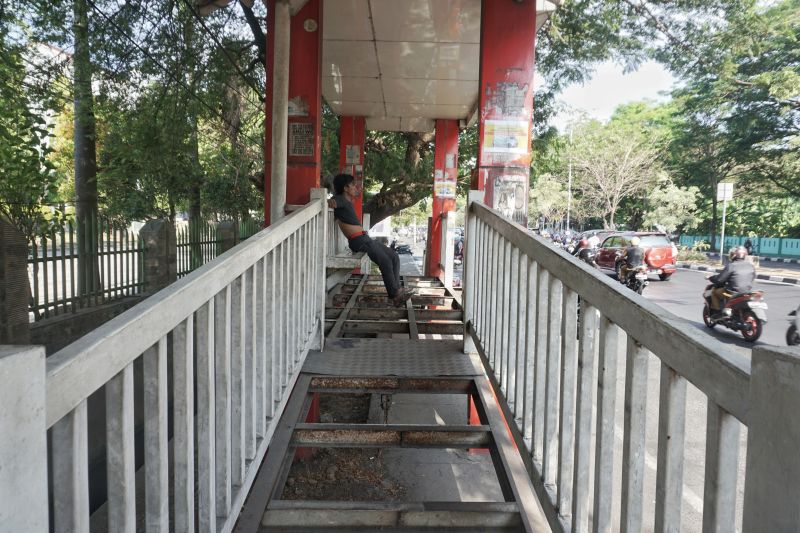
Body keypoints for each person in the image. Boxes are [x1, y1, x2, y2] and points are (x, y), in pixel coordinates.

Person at [328, 173, 413, 307]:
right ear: (345, 188)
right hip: (358, 241)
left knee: (394, 256)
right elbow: (333, 201)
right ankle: (395, 294)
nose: (355, 187)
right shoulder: (340, 199)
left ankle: (397, 289)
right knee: (385, 261)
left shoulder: (347, 201)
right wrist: (330, 201)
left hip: (364, 238)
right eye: (352, 185)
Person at [709, 246, 756, 319]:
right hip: (747, 292)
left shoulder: (731, 266)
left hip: (733, 292)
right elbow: (752, 277)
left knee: (714, 292)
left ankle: (717, 312)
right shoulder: (751, 266)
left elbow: (719, 280)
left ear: (735, 255)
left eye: (732, 254)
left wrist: (710, 277)